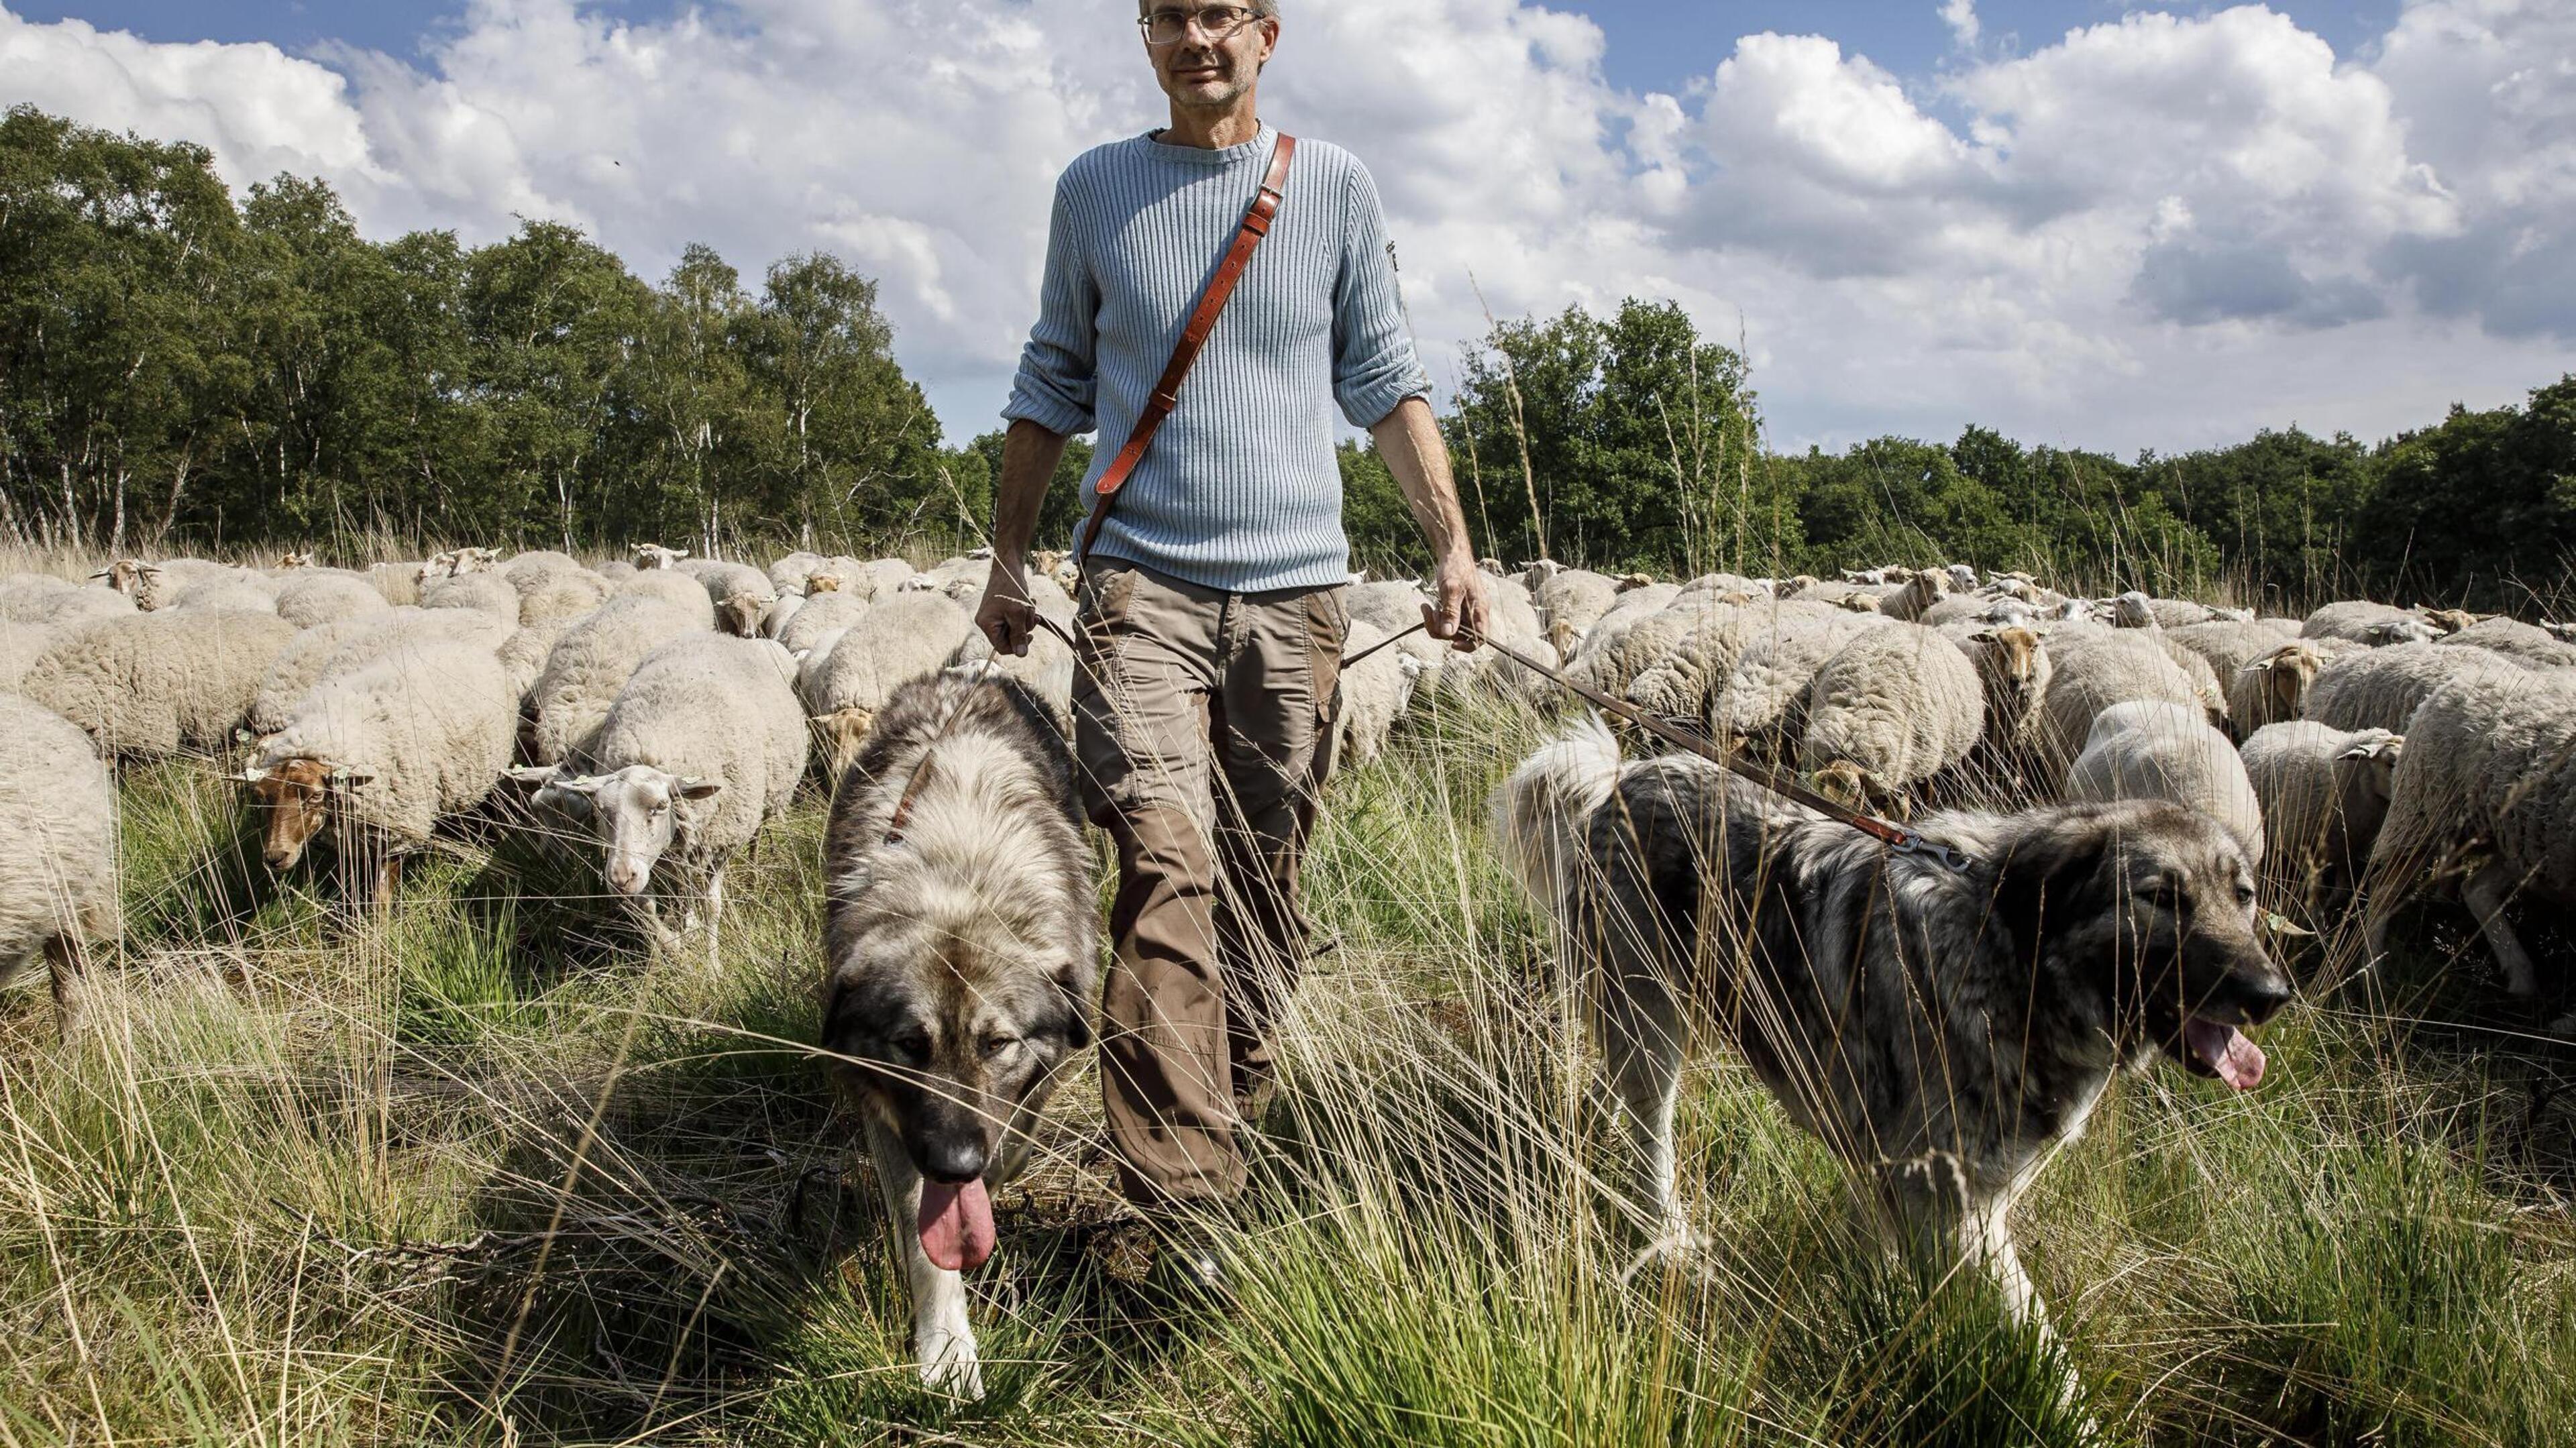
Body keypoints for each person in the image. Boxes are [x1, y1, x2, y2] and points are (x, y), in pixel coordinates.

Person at [974, 0, 1489, 1263]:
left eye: (1221, 15)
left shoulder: (1335, 188)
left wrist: (1453, 545)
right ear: (1144, 38)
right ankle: (1181, 1202)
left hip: (1297, 595)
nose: (1196, 39)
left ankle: (1230, 1088)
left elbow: (1385, 376)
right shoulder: (1095, 189)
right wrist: (1004, 556)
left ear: (1266, 34)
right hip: (1139, 588)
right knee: (1163, 861)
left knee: (1265, 882)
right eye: (1170, 18)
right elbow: (1053, 375)